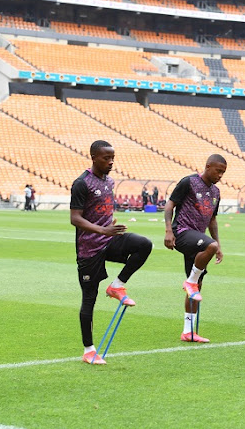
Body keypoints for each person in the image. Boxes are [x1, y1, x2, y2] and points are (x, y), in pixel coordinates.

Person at [70, 140, 153, 365]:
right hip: (89, 248)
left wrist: (109, 226)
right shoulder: (81, 183)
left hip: (108, 239)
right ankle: (89, 350)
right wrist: (102, 229)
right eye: (106, 158)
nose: (111, 162)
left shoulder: (110, 181)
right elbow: (75, 218)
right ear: (94, 157)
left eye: (112, 158)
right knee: (89, 299)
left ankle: (117, 285)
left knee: (144, 245)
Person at [164, 154, 227, 343]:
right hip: (182, 232)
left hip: (198, 239)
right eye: (218, 171)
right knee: (207, 251)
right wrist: (168, 230)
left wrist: (219, 245)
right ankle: (190, 281)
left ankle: (188, 332)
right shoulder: (189, 182)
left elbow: (213, 220)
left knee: (196, 287)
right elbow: (169, 205)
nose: (220, 175)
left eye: (223, 172)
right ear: (208, 166)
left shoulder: (216, 192)